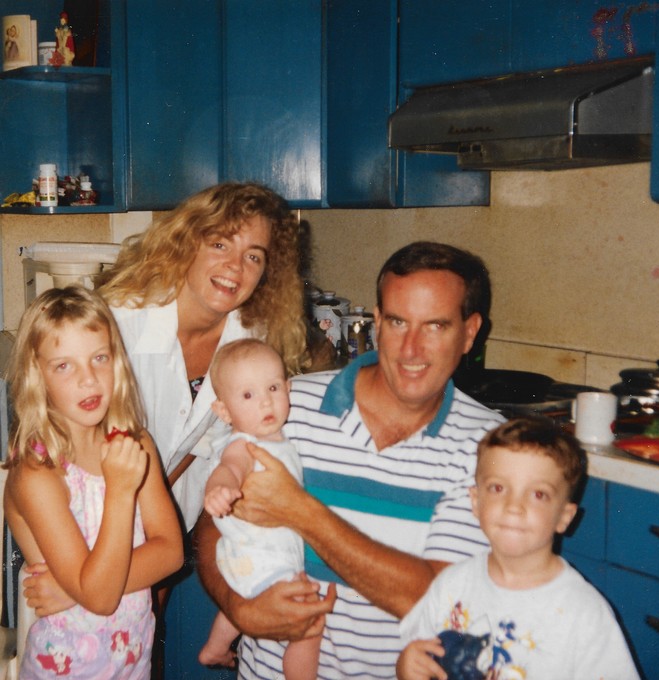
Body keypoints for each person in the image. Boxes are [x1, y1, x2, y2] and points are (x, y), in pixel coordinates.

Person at [196, 240, 507, 678]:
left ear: (470, 332)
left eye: (435, 326)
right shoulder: (286, 406)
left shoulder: (491, 448)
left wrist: (302, 513)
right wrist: (238, 607)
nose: (411, 349)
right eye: (397, 322)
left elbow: (441, 602)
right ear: (377, 322)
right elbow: (214, 524)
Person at [98, 181, 308, 531]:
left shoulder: (251, 342)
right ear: (187, 244)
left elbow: (208, 441)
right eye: (220, 244)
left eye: (253, 256)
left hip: (170, 520)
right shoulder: (118, 324)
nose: (235, 266)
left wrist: (158, 519)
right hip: (95, 516)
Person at [3, 286, 184, 678]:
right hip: (66, 669)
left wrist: (73, 590)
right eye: (64, 366)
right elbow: (100, 598)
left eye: (99, 358)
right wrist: (120, 491)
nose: (89, 380)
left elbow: (171, 552)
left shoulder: (135, 443)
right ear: (37, 376)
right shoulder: (39, 474)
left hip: (132, 663)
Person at [396, 417, 640, 680]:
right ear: (476, 501)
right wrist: (407, 667)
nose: (514, 506)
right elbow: (418, 656)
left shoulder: (584, 614)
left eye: (538, 494)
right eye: (498, 488)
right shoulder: (451, 585)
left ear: (564, 517)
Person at [198, 338, 321, 678]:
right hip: (261, 554)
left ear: (288, 389)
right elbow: (230, 467)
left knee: (248, 596)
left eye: (273, 388)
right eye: (248, 395)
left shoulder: (278, 440)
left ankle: (216, 646)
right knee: (309, 626)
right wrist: (219, 489)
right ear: (224, 412)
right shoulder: (244, 443)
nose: (266, 401)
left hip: (254, 555)